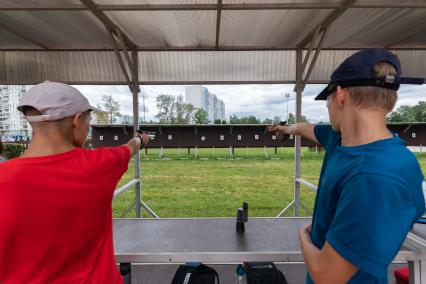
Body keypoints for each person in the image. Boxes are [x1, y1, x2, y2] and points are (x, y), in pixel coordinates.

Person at [273, 49, 425, 283]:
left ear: (341, 95)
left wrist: (304, 234)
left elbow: (327, 276)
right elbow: (307, 128)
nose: (327, 107)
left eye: (328, 99)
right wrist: (288, 129)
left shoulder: (376, 176)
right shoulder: (340, 139)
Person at [0, 82, 149, 284]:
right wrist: (140, 139)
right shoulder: (100, 166)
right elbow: (129, 147)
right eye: (88, 120)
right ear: (77, 120)